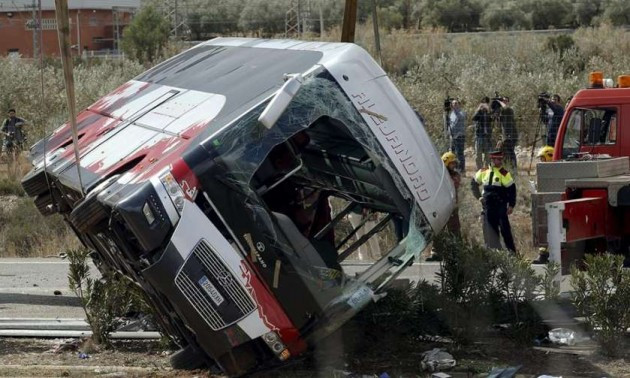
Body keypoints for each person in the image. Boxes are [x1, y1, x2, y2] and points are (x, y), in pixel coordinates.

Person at [471, 150, 517, 253]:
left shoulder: (504, 173)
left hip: (500, 206)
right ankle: (494, 254)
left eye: (500, 159)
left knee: (505, 231)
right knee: (490, 231)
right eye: (496, 159)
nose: (498, 162)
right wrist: (479, 197)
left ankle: (512, 254)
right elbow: (473, 184)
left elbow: (512, 190)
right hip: (487, 206)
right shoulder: (483, 171)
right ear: (491, 159)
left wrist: (511, 205)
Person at [427, 152, 461, 261]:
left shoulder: (455, 176)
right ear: (446, 163)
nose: (454, 165)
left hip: (452, 207)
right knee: (438, 229)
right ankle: (436, 252)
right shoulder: (437, 174)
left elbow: (454, 183)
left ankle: (457, 252)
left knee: (454, 230)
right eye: (451, 163)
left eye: (454, 163)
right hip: (440, 206)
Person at [496, 97, 518, 173]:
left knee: (510, 152)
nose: (504, 102)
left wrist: (499, 102)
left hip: (511, 135)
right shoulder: (501, 111)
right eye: (503, 101)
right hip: (505, 135)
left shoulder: (510, 110)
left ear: (508, 102)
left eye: (505, 101)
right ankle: (507, 169)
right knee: (505, 153)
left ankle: (514, 170)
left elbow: (505, 108)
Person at [473, 97, 492, 169]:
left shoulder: (488, 112)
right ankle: (479, 169)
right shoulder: (479, 112)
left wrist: (489, 110)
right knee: (478, 153)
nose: (484, 105)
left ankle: (487, 168)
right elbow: (474, 118)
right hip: (479, 136)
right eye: (483, 103)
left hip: (487, 136)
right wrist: (478, 109)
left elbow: (492, 119)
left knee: (488, 154)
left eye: (486, 103)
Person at [448, 100, 466, 173]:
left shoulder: (462, 113)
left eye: (456, 103)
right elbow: (450, 124)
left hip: (460, 136)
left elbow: (461, 118)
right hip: (453, 136)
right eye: (453, 104)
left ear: (459, 105)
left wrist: (456, 110)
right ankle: (455, 169)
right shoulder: (451, 114)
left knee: (460, 153)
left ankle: (462, 169)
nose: (454, 105)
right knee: (453, 153)